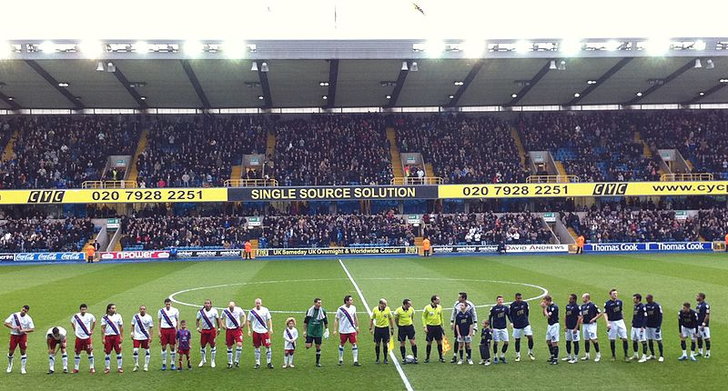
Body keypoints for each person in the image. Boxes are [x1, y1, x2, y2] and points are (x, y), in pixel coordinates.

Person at [594, 289, 629, 361]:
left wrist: (623, 321)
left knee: (625, 338)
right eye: (613, 294)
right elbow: (605, 313)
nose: (615, 295)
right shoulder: (607, 304)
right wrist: (607, 323)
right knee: (612, 339)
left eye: (616, 293)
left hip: (620, 321)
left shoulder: (620, 302)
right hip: (612, 322)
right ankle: (613, 355)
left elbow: (621, 311)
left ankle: (626, 355)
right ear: (610, 295)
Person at [4, 305, 35, 374]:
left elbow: (32, 329)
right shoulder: (14, 315)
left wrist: (23, 330)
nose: (23, 311)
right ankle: (10, 365)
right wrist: (13, 327)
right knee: (11, 352)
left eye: (25, 311)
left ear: (27, 312)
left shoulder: (28, 318)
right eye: (23, 310)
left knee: (23, 352)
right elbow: (6, 323)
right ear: (21, 309)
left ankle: (23, 368)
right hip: (14, 335)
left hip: (22, 336)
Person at [450, 292, 477, 364]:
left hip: (467, 325)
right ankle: (455, 356)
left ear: (463, 298)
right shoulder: (456, 304)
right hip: (459, 324)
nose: (458, 298)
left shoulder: (470, 305)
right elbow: (454, 312)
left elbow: (474, 315)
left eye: (459, 297)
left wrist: (474, 327)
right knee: (457, 340)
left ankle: (468, 356)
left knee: (467, 342)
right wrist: (452, 322)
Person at [334, 295, 360, 366]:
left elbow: (355, 317)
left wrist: (357, 327)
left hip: (351, 329)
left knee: (354, 343)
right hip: (343, 330)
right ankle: (340, 359)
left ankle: (355, 360)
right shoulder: (340, 309)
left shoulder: (353, 308)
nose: (352, 301)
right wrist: (335, 330)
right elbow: (336, 319)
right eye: (350, 300)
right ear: (346, 301)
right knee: (342, 344)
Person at [247, 298, 273, 369]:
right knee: (257, 347)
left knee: (268, 346)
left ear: (261, 303)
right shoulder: (252, 312)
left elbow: (269, 319)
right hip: (256, 332)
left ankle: (269, 362)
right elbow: (248, 321)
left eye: (259, 303)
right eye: (256, 303)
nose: (258, 304)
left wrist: (270, 328)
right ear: (255, 304)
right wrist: (249, 330)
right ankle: (257, 363)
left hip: (264, 331)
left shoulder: (265, 310)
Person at [71, 303, 96, 374]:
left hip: (87, 337)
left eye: (84, 309)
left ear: (86, 309)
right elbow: (72, 322)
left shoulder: (90, 316)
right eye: (82, 309)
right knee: (77, 352)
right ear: (80, 310)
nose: (83, 311)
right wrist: (75, 330)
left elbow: (94, 321)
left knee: (89, 351)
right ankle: (76, 368)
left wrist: (92, 330)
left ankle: (92, 367)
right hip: (79, 337)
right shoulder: (76, 316)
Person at [303, 298, 329, 367]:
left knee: (318, 346)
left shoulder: (323, 311)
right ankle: (310, 343)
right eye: (318, 303)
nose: (319, 304)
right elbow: (306, 322)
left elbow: (325, 321)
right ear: (314, 303)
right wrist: (304, 331)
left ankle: (317, 362)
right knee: (308, 346)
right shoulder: (309, 311)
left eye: (320, 303)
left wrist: (327, 330)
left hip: (318, 332)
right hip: (310, 331)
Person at [509, 292, 535, 362]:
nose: (519, 299)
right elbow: (510, 315)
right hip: (517, 325)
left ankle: (530, 352)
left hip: (525, 324)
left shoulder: (525, 304)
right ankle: (518, 355)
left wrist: (525, 319)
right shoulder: (512, 305)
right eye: (518, 298)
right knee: (517, 340)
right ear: (515, 298)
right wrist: (512, 322)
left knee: (530, 337)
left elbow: (527, 312)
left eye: (520, 298)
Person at [220, 301, 245, 369]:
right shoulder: (225, 311)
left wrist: (243, 322)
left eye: (232, 308)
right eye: (230, 308)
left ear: (234, 306)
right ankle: (229, 362)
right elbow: (221, 318)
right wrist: (222, 324)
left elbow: (243, 315)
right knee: (229, 346)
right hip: (229, 330)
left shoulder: (238, 309)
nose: (231, 309)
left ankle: (236, 361)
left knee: (239, 344)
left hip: (237, 330)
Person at [101, 303, 124, 374]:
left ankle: (119, 367)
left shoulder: (118, 316)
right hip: (108, 336)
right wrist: (103, 338)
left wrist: (121, 336)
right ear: (109, 309)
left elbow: (121, 327)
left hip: (116, 336)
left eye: (115, 308)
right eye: (113, 308)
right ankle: (107, 368)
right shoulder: (104, 318)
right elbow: (102, 328)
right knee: (107, 352)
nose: (114, 309)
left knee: (118, 351)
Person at [370, 298, 394, 364]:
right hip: (377, 329)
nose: (385, 305)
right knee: (377, 343)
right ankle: (377, 358)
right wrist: (370, 328)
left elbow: (390, 318)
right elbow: (372, 319)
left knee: (385, 343)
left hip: (385, 329)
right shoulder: (375, 309)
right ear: (380, 304)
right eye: (384, 304)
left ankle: (385, 358)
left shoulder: (388, 309)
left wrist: (392, 328)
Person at [196, 299, 219, 367]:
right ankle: (203, 360)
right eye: (205, 303)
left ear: (211, 304)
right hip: (204, 331)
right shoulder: (200, 312)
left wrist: (219, 328)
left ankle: (212, 361)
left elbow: (217, 319)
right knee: (202, 345)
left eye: (208, 303)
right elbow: (197, 320)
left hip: (212, 330)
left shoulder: (214, 311)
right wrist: (197, 328)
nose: (207, 304)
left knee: (212, 345)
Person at [422, 295, 445, 363]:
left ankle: (441, 357)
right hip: (430, 327)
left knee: (439, 342)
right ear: (433, 300)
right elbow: (423, 317)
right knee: (429, 342)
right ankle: (427, 357)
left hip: (438, 327)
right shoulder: (427, 308)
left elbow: (441, 316)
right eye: (438, 300)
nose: (439, 301)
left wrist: (442, 326)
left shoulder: (440, 307)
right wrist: (425, 326)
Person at [158, 298, 180, 371]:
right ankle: (164, 363)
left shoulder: (175, 310)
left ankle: (172, 363)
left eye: (169, 304)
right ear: (165, 304)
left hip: (172, 330)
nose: (168, 305)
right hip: (164, 330)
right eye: (167, 304)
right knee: (163, 347)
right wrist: (159, 331)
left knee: (172, 347)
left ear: (171, 304)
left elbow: (177, 321)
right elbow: (159, 321)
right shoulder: (161, 311)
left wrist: (177, 330)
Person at [131, 305, 154, 372]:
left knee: (147, 351)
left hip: (145, 337)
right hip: (137, 337)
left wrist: (151, 337)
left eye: (143, 309)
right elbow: (132, 325)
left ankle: (146, 365)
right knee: (135, 351)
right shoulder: (135, 316)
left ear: (145, 310)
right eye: (141, 309)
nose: (142, 310)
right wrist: (132, 333)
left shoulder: (149, 317)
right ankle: (136, 365)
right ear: (139, 310)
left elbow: (151, 328)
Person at [394, 298, 417, 364]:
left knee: (412, 342)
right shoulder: (398, 310)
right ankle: (403, 358)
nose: (410, 305)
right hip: (402, 328)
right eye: (409, 304)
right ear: (405, 304)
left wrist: (411, 323)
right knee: (402, 342)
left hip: (410, 327)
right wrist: (398, 325)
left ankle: (415, 357)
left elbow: (412, 316)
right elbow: (396, 319)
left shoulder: (411, 309)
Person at [580, 293, 602, 361]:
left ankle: (598, 354)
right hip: (585, 324)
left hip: (591, 325)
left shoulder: (592, 305)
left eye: (583, 297)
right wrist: (582, 319)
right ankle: (587, 355)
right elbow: (582, 315)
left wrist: (594, 319)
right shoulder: (582, 306)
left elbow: (600, 313)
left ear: (587, 298)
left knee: (593, 339)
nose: (582, 299)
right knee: (586, 339)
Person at [489, 295, 510, 364]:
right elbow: (490, 318)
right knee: (496, 342)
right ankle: (495, 356)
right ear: (497, 301)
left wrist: (511, 322)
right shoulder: (493, 308)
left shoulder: (505, 308)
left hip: (503, 328)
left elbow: (509, 316)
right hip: (496, 328)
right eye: (499, 300)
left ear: (503, 300)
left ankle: (502, 355)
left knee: (506, 342)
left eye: (501, 300)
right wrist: (490, 327)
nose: (500, 301)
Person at [644, 294, 664, 362]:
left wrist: (659, 326)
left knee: (658, 340)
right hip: (648, 326)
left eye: (648, 298)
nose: (646, 300)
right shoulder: (645, 306)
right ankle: (652, 354)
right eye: (646, 299)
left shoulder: (657, 306)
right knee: (649, 340)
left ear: (651, 298)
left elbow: (660, 316)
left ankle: (661, 355)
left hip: (655, 326)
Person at [454, 300, 475, 365]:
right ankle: (461, 359)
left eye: (462, 305)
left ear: (466, 306)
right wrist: (458, 334)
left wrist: (470, 333)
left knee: (468, 345)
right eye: (460, 305)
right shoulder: (458, 315)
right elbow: (457, 325)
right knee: (461, 346)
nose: (461, 306)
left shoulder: (468, 315)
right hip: (461, 333)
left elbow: (471, 325)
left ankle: (469, 358)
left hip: (467, 333)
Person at [563, 293, 581, 364]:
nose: (569, 299)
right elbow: (566, 316)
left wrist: (576, 328)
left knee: (575, 342)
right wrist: (565, 325)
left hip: (574, 328)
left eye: (570, 298)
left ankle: (575, 358)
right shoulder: (567, 306)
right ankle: (569, 356)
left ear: (574, 299)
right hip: (568, 327)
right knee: (567, 342)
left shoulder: (577, 307)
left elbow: (579, 318)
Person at [541, 295, 560, 365]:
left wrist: (545, 308)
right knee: (548, 341)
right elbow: (544, 314)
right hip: (550, 325)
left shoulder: (554, 307)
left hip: (554, 326)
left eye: (545, 301)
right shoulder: (548, 307)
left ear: (548, 300)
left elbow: (548, 316)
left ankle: (555, 359)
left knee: (554, 342)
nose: (544, 302)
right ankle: (552, 355)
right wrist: (544, 308)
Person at [630, 294, 648, 362]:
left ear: (638, 299)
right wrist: (632, 322)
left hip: (640, 327)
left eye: (634, 298)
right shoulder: (635, 306)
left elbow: (645, 317)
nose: (633, 299)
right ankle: (635, 354)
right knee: (634, 340)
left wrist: (643, 326)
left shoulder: (642, 307)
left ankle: (644, 356)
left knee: (643, 341)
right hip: (634, 326)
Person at [695, 292, 711, 358]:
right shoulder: (698, 305)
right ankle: (700, 352)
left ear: (701, 297)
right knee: (699, 338)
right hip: (698, 325)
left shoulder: (706, 305)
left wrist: (704, 324)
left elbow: (707, 315)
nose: (696, 297)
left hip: (704, 325)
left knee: (706, 338)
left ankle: (708, 353)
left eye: (697, 296)